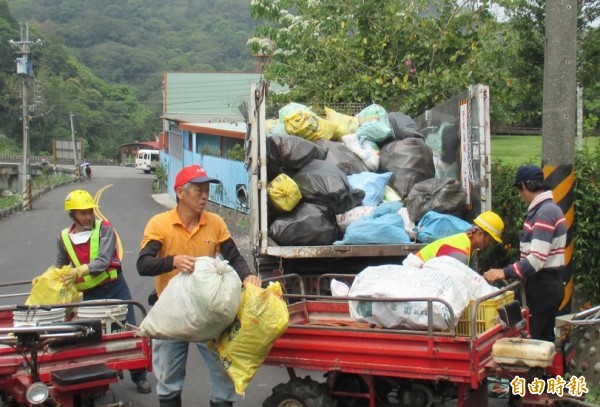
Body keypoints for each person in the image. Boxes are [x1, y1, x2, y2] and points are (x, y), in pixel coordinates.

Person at [137, 164, 261, 407]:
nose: (205, 196)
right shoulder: (159, 224)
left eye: (207, 191)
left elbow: (233, 255)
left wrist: (247, 276)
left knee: (223, 374)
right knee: (169, 379)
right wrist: (172, 261)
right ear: (180, 193)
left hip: (209, 312)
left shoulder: (215, 222)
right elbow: (143, 264)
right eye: (198, 190)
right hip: (172, 313)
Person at [53, 189, 151, 394]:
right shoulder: (64, 237)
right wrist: (49, 277)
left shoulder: (105, 229)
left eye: (90, 211)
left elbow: (105, 260)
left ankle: (139, 376)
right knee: (94, 335)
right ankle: (98, 376)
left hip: (115, 287)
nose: (89, 216)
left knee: (129, 330)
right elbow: (60, 265)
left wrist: (80, 270)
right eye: (83, 213)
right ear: (72, 215)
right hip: (90, 293)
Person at [484, 164, 566, 342]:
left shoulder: (544, 213)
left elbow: (536, 260)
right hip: (547, 285)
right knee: (545, 340)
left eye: (520, 190)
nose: (521, 196)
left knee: (533, 343)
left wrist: (503, 272)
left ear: (524, 186)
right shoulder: (547, 210)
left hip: (543, 287)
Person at [414, 210, 505, 266]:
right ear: (481, 234)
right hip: (416, 274)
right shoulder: (460, 252)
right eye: (490, 240)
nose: (490, 244)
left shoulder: (468, 246)